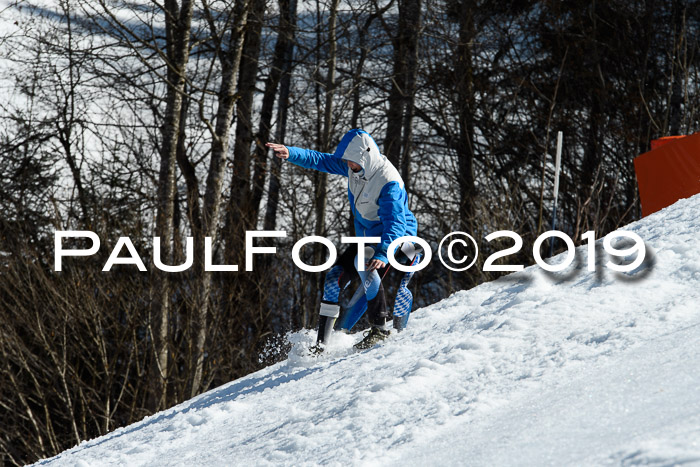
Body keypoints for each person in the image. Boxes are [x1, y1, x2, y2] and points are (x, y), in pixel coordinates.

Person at [266, 129, 419, 350]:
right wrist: (290, 152)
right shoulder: (354, 166)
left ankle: (381, 329)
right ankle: (321, 345)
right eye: (346, 162)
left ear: (364, 156)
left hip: (396, 236)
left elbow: (395, 223)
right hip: (368, 237)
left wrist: (384, 253)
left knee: (366, 267)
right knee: (333, 279)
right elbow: (321, 160)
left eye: (352, 163)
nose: (348, 166)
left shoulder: (388, 182)